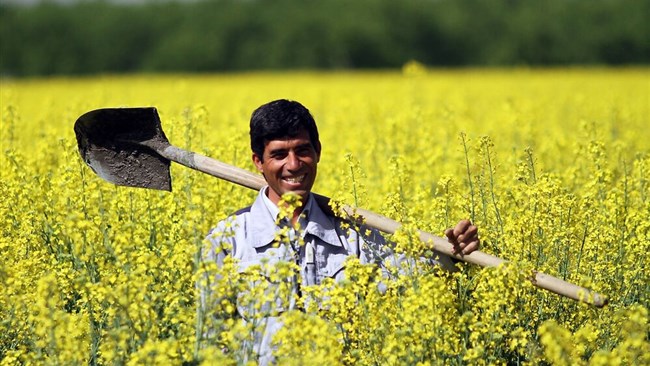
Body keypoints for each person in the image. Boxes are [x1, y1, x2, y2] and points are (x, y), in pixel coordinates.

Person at [200, 99, 479, 363]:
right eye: (279, 154)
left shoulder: (355, 236)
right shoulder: (229, 239)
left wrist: (453, 249)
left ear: (318, 151)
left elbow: (415, 273)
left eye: (303, 150)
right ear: (258, 161)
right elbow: (212, 341)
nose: (294, 164)